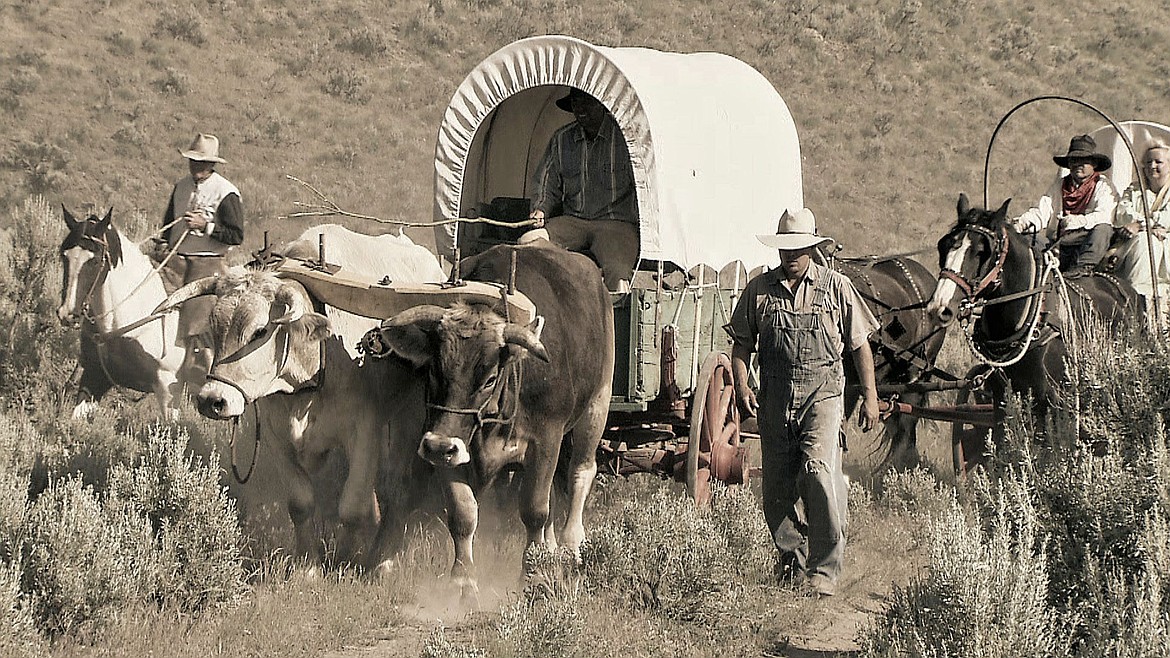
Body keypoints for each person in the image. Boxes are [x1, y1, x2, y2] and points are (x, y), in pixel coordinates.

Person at [724, 208, 880, 598]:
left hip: (823, 395)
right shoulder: (759, 290)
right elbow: (742, 344)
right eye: (784, 248)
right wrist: (743, 386)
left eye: (798, 248)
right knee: (777, 486)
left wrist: (870, 396)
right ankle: (791, 561)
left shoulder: (838, 287)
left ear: (812, 247)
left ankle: (824, 569)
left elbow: (860, 346)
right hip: (775, 399)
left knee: (816, 471)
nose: (790, 256)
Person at [528, 88, 638, 292]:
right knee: (528, 244)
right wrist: (540, 209)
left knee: (618, 270)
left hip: (616, 223)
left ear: (602, 106)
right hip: (574, 221)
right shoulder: (562, 140)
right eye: (576, 104)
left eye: (587, 103)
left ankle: (616, 319)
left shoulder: (625, 140)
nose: (580, 109)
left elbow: (643, 188)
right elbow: (546, 182)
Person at [160, 132, 244, 381]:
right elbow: (167, 225)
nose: (195, 166)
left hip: (208, 262)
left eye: (200, 162)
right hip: (175, 260)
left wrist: (205, 226)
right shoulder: (181, 187)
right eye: (192, 161)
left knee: (197, 315)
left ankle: (197, 371)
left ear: (212, 164)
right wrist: (161, 245)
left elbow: (236, 235)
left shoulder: (226, 192)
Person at [1013, 134, 1119, 277]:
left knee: (1103, 229)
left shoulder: (1103, 185)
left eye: (1084, 161)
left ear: (1093, 164)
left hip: (1087, 243)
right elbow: (1042, 211)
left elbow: (1104, 215)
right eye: (1075, 160)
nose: (1078, 165)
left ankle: (1082, 269)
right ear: (1069, 164)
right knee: (1026, 239)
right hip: (1060, 245)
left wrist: (1080, 221)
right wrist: (1023, 223)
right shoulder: (1060, 185)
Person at [1113, 142, 1170, 318]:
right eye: (1148, 162)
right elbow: (1122, 215)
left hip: (1164, 253)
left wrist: (1139, 225)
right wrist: (1151, 226)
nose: (1152, 166)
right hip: (1132, 248)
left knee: (1149, 242)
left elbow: (1167, 219)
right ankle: (1135, 300)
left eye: (1158, 162)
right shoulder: (1134, 190)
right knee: (1147, 242)